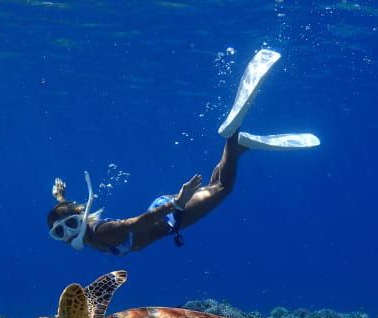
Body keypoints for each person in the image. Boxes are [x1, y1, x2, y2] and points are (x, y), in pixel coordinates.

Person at [47, 49, 320, 256]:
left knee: (223, 188)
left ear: (81, 217)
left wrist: (176, 203)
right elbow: (78, 214)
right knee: (216, 185)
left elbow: (139, 221)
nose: (69, 234)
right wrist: (61, 199)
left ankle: (232, 137)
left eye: (69, 225)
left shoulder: (103, 232)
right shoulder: (91, 234)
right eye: (61, 232)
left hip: (170, 214)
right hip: (167, 210)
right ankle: (236, 147)